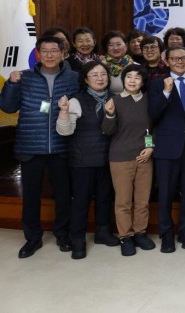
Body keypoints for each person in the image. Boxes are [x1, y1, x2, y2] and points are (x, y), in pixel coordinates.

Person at [0, 35, 79, 259]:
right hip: (30, 145)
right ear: (38, 53)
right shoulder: (24, 77)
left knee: (63, 195)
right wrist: (11, 84)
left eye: (54, 51)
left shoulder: (74, 77)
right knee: (31, 195)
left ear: (63, 53)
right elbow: (7, 107)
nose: (49, 55)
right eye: (45, 51)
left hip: (62, 145)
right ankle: (33, 238)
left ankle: (62, 234)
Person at [56, 61, 120, 259]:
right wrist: (64, 112)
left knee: (105, 198)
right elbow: (65, 131)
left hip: (108, 159)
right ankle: (77, 239)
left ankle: (102, 232)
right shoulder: (76, 101)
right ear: (85, 79)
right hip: (82, 160)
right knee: (81, 201)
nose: (100, 78)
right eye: (94, 75)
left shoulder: (115, 98)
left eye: (103, 74)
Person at [148, 46, 185, 252]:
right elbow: (153, 113)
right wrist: (166, 92)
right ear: (167, 61)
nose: (179, 61)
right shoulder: (157, 83)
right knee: (165, 194)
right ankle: (166, 234)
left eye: (183, 58)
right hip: (166, 147)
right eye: (175, 58)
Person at [101, 64, 155, 256]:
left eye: (137, 77)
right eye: (129, 76)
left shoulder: (148, 100)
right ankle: (126, 236)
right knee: (123, 201)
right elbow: (107, 130)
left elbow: (151, 128)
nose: (132, 80)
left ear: (143, 81)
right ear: (123, 79)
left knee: (142, 200)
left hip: (144, 157)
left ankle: (140, 232)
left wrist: (150, 147)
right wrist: (109, 114)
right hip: (120, 157)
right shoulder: (114, 101)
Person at [102, 30, 136, 94]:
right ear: (106, 48)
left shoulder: (135, 66)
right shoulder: (101, 66)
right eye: (111, 45)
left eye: (118, 44)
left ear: (126, 45)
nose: (115, 48)